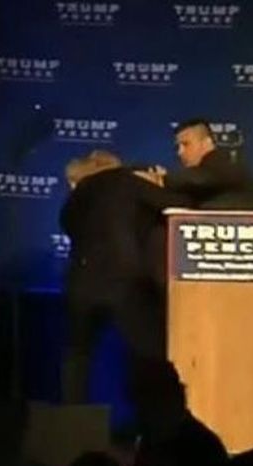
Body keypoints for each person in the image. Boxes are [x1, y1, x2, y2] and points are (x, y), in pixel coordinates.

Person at [60, 150, 191, 403]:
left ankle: (71, 417)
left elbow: (66, 223)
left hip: (81, 284)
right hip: (125, 283)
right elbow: (176, 204)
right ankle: (155, 413)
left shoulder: (80, 193)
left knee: (78, 354)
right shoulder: (128, 182)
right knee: (148, 353)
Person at [138, 118, 253, 210]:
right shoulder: (195, 182)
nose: (180, 152)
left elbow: (201, 178)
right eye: (178, 147)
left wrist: (161, 180)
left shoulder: (223, 163)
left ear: (207, 143)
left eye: (186, 144)